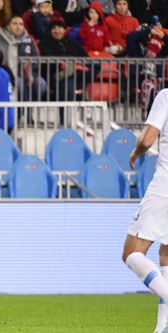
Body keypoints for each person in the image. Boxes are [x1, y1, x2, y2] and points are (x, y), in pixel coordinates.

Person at [123, 88, 168, 333]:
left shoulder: (166, 96)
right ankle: (161, 328)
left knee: (131, 252)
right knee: (167, 257)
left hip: (165, 187)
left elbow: (148, 138)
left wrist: (137, 150)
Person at [4, 15, 47, 101]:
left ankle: (32, 110)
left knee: (41, 84)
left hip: (29, 73)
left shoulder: (30, 39)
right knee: (19, 83)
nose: (18, 27)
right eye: (15, 24)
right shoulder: (3, 37)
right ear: (8, 26)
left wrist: (31, 74)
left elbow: (36, 57)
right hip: (11, 74)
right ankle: (24, 111)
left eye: (21, 24)